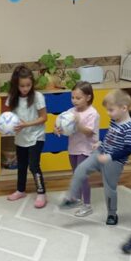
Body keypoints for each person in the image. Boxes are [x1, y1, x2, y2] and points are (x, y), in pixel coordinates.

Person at [60, 89, 131, 227]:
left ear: (124, 108)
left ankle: (112, 214)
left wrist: (110, 157)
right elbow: (111, 138)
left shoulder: (129, 128)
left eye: (111, 110)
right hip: (100, 152)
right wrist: (100, 144)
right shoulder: (115, 120)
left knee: (109, 189)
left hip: (114, 162)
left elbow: (129, 149)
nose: (108, 113)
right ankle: (73, 198)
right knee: (80, 169)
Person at [54, 81, 99, 217]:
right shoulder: (71, 112)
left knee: (82, 176)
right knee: (76, 174)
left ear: (88, 97)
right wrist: (57, 129)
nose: (74, 101)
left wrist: (78, 123)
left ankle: (87, 205)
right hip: (73, 147)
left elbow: (89, 132)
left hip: (86, 149)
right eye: (72, 97)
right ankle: (77, 199)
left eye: (78, 98)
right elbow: (61, 123)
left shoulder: (92, 113)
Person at [6, 65, 48, 208]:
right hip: (21, 137)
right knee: (22, 165)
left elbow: (44, 118)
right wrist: (2, 126)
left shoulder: (37, 97)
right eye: (22, 86)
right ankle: (20, 190)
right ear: (16, 85)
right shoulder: (12, 98)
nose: (25, 89)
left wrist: (26, 125)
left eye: (28, 85)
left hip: (36, 136)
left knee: (34, 165)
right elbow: (9, 118)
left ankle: (41, 192)